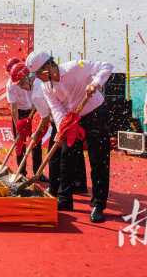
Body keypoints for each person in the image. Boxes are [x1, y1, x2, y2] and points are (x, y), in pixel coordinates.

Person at [26, 51, 113, 223]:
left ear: (49, 66)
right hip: (72, 118)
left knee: (99, 159)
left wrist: (95, 83)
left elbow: (106, 66)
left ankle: (98, 205)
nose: (37, 78)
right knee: (66, 157)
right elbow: (56, 108)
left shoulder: (76, 67)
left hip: (96, 113)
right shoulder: (46, 87)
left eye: (38, 74)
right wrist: (63, 128)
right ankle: (64, 199)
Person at [7, 61, 46, 180]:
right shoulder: (11, 85)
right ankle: (21, 172)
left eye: (21, 83)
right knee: (20, 143)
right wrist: (18, 126)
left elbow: (38, 103)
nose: (20, 86)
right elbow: (13, 108)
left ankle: (38, 173)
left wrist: (31, 116)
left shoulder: (36, 82)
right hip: (19, 112)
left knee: (36, 141)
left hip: (34, 110)